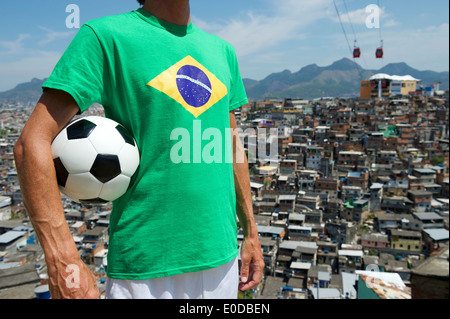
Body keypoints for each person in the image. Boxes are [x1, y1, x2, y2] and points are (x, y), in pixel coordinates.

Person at [14, 0, 264, 299]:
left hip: (221, 260)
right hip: (145, 266)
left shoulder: (223, 51)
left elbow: (231, 145)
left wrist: (251, 232)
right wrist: (63, 260)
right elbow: (31, 143)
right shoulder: (105, 36)